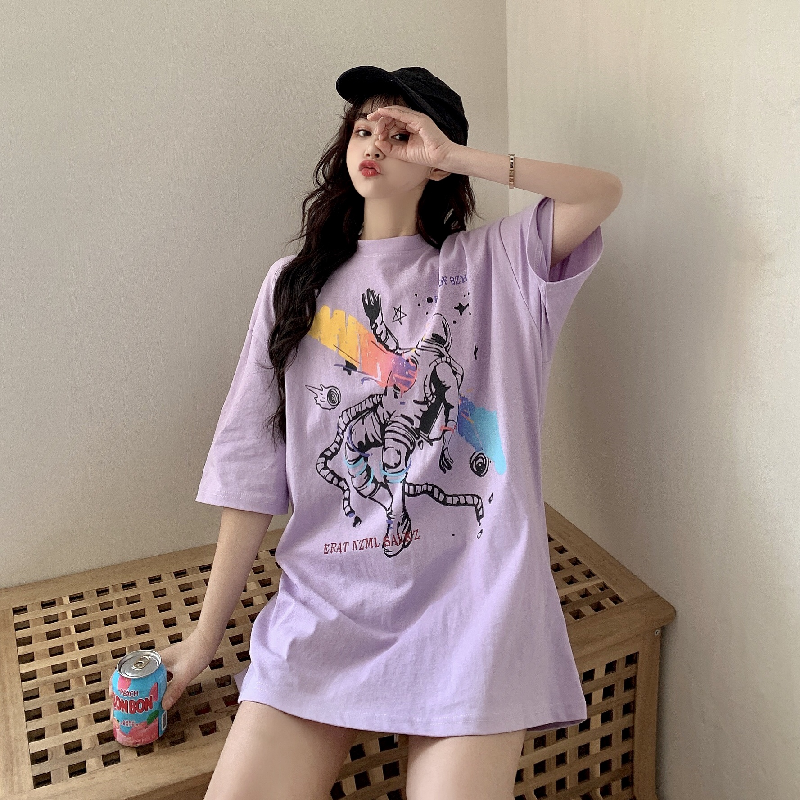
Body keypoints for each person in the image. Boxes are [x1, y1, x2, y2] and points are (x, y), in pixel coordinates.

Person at [159, 65, 622, 799]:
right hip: (327, 608)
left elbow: (598, 194)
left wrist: (456, 156)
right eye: (362, 128)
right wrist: (200, 642)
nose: (374, 141)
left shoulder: (496, 267)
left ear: (435, 160)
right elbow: (250, 468)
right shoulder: (293, 285)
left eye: (398, 131)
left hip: (472, 614)